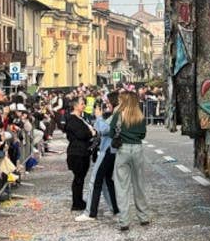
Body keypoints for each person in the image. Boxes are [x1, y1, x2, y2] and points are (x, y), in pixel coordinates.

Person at [76, 95, 119, 223]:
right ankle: (114, 207)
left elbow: (104, 129)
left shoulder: (116, 114)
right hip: (112, 150)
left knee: (95, 181)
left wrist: (99, 117)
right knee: (107, 180)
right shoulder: (118, 113)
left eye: (107, 103)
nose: (106, 106)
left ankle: (90, 212)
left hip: (107, 150)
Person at [112, 91, 150, 232]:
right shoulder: (140, 116)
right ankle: (143, 217)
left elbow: (111, 133)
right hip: (138, 149)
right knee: (139, 184)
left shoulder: (118, 114)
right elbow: (143, 134)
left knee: (122, 186)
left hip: (123, 150)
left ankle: (124, 221)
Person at [63, 98, 94, 212]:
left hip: (83, 151)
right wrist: (91, 133)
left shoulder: (81, 118)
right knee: (78, 178)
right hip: (77, 152)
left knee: (80, 178)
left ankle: (79, 201)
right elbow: (81, 134)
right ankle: (77, 202)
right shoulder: (72, 119)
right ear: (75, 106)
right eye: (82, 104)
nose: (84, 105)